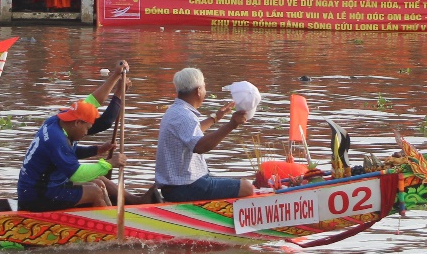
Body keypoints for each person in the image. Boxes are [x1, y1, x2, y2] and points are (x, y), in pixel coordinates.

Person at [16, 62, 149, 211]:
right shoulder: (56, 140)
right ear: (78, 123)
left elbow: (94, 102)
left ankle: (134, 203)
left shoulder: (57, 121)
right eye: (87, 128)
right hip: (37, 196)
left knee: (99, 181)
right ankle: (108, 228)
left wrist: (115, 75)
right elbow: (77, 174)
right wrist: (109, 163)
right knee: (95, 191)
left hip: (46, 185)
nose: (87, 132)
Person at [154, 67, 254, 202]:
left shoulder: (175, 111)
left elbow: (191, 133)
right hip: (186, 187)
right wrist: (232, 125)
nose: (205, 92)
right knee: (247, 187)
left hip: (178, 186)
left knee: (239, 183)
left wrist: (215, 117)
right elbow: (200, 147)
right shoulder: (184, 115)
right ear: (198, 91)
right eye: (204, 87)